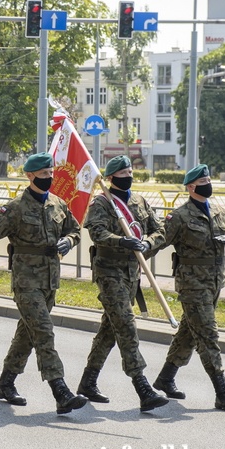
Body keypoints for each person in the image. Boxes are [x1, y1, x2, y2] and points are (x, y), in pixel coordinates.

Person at [0, 152, 88, 415]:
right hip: (26, 282)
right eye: (43, 174)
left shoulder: (58, 204)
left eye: (50, 173)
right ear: (30, 176)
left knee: (27, 336)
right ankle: (60, 391)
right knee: (43, 332)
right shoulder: (15, 208)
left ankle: (5, 384)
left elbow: (75, 230)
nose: (49, 178)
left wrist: (69, 241)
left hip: (50, 281)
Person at [77, 155, 169, 412]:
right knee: (126, 325)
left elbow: (159, 229)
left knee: (110, 329)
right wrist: (121, 241)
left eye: (131, 171)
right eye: (124, 173)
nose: (129, 176)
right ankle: (143, 388)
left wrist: (148, 243)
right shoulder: (102, 202)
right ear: (111, 177)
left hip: (132, 273)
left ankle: (87, 382)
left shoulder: (139, 201)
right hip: (109, 272)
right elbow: (96, 232)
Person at [153, 164, 225, 412]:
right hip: (192, 284)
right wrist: (140, 247)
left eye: (209, 179)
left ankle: (165, 378)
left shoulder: (217, 209)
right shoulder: (180, 216)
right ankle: (222, 392)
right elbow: (161, 238)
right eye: (203, 180)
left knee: (188, 332)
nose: (208, 183)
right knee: (207, 334)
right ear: (191, 187)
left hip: (215, 281)